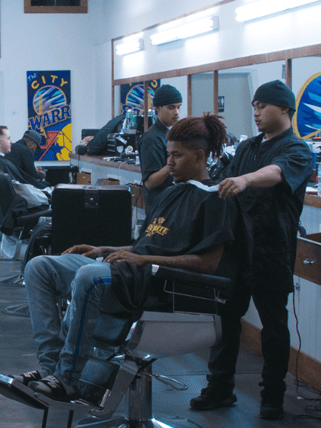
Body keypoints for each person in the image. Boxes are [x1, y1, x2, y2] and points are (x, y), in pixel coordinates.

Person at [18, 115, 245, 402]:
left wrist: (145, 263)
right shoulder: (171, 194)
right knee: (39, 267)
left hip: (159, 285)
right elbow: (146, 245)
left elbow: (208, 264)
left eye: (177, 155)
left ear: (200, 156)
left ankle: (67, 378)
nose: (169, 162)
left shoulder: (215, 197)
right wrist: (103, 250)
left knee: (88, 277)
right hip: (132, 270)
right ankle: (51, 368)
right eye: (167, 154)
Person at [194, 80, 312, 421]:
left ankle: (272, 396)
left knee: (273, 326)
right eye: (254, 106)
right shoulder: (248, 148)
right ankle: (220, 388)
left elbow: (275, 174)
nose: (256, 112)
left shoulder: (297, 150)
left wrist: (246, 180)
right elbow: (223, 181)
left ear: (284, 108)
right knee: (225, 320)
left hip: (271, 249)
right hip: (237, 247)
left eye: (262, 106)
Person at [140, 85, 183, 207]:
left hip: (173, 201)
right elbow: (150, 183)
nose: (177, 112)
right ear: (157, 108)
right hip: (160, 205)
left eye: (179, 107)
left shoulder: (171, 134)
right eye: (171, 108)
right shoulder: (151, 138)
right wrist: (174, 162)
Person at [0, 126, 49, 190]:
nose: (11, 142)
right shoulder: (25, 151)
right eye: (8, 138)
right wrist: (41, 174)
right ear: (31, 143)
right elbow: (31, 178)